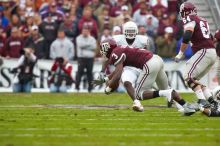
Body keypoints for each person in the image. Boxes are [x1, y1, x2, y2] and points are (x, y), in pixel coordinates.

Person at [95, 38, 195, 115]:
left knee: (139, 94)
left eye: (102, 49)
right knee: (166, 87)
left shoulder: (115, 53)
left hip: (149, 63)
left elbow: (118, 75)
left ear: (106, 48)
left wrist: (107, 89)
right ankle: (186, 106)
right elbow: (117, 71)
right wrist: (105, 79)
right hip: (157, 59)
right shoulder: (119, 49)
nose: (102, 51)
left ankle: (166, 93)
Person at [97, 21, 151, 111]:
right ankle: (135, 101)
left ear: (136, 31)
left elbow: (148, 54)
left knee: (154, 84)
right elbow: (107, 56)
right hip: (125, 65)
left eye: (132, 31)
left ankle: (169, 94)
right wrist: (103, 70)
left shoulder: (143, 40)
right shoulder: (116, 40)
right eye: (128, 31)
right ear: (124, 31)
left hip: (140, 65)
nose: (130, 33)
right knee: (124, 80)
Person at [174, 2, 218, 109]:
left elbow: (187, 34)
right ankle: (212, 101)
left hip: (204, 51)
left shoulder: (189, 19)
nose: (182, 15)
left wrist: (180, 54)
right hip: (211, 52)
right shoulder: (202, 20)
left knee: (188, 76)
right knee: (193, 80)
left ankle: (202, 101)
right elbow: (211, 37)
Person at [75, 24, 97, 92]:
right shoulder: (78, 38)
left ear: (88, 31)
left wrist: (85, 46)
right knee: (79, 72)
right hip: (81, 58)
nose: (85, 32)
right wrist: (89, 46)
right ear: (82, 31)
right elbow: (80, 45)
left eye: (86, 31)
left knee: (89, 73)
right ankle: (77, 87)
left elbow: (94, 47)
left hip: (90, 58)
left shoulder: (92, 38)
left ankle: (90, 88)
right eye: (84, 31)